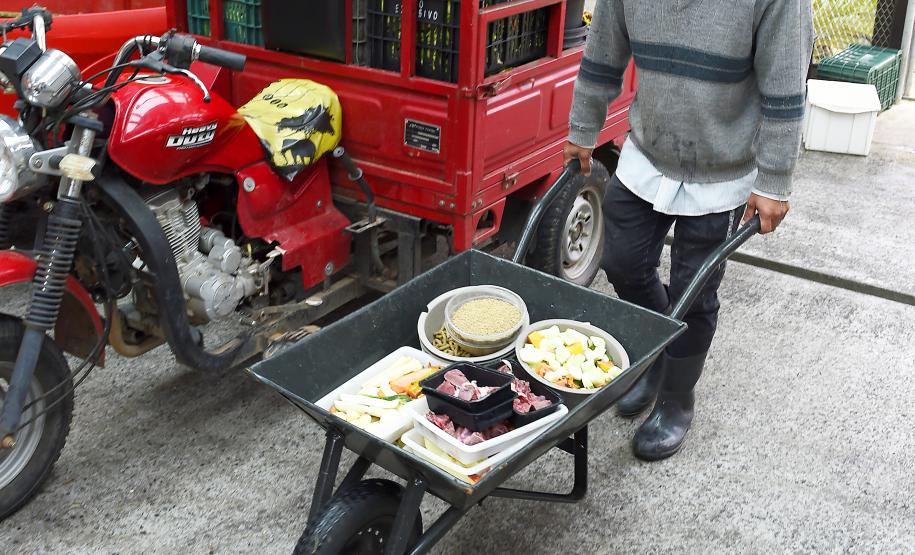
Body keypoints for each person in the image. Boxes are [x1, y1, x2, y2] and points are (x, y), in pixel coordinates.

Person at [564, 0, 813, 461]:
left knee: (693, 290)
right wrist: (584, 126)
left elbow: (784, 82)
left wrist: (775, 178)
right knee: (621, 261)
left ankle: (677, 399)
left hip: (723, 164)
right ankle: (659, 353)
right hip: (648, 151)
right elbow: (603, 51)